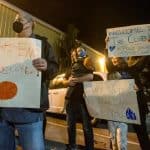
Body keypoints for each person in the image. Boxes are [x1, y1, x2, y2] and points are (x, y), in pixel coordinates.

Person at [0, 11, 58, 150]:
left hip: (30, 113)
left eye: (21, 19)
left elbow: (54, 68)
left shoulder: (43, 44)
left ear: (32, 23)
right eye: (15, 19)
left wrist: (46, 65)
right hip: (5, 112)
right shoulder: (6, 46)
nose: (17, 21)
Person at [105, 36, 150, 150]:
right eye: (113, 58)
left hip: (137, 107)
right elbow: (107, 61)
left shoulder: (133, 69)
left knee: (142, 134)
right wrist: (107, 45)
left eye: (116, 58)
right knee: (116, 133)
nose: (113, 60)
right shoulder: (113, 71)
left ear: (122, 59)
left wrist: (148, 46)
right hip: (121, 107)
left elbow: (144, 60)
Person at [62, 47, 94, 150]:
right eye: (72, 54)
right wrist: (67, 82)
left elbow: (90, 77)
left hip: (84, 100)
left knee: (87, 127)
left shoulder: (86, 63)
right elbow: (63, 80)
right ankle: (72, 146)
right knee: (70, 126)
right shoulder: (70, 67)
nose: (73, 55)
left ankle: (89, 147)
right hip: (70, 99)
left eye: (76, 52)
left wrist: (76, 80)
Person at [106, 57, 129, 150]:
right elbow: (108, 62)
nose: (114, 61)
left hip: (122, 113)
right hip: (111, 113)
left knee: (121, 141)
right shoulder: (110, 73)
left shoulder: (126, 74)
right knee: (113, 139)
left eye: (116, 60)